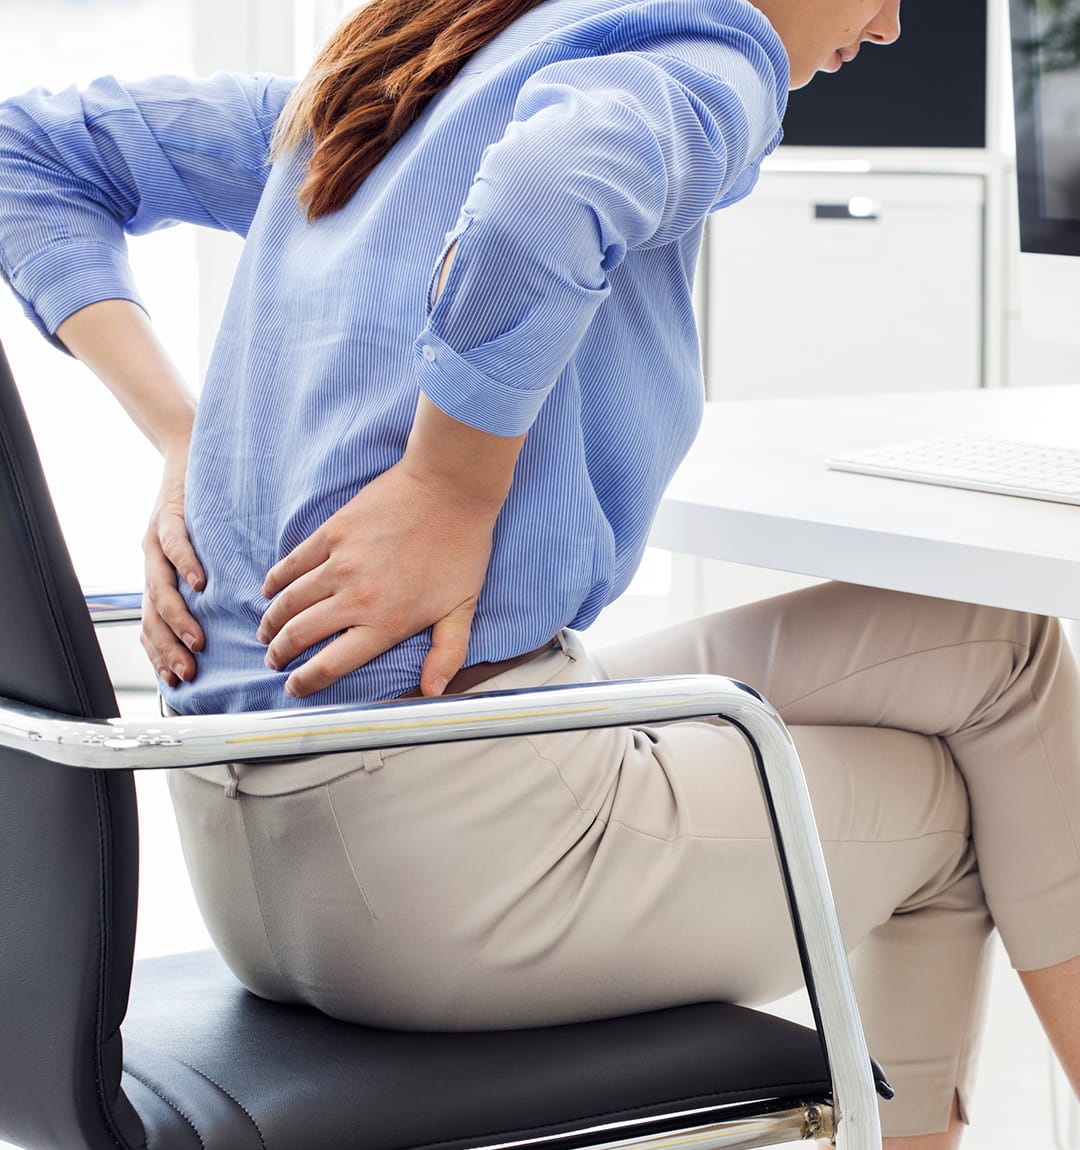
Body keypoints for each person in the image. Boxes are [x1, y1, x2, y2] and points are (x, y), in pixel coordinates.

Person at [1, 0, 1079, 1145]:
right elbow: (549, 189)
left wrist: (184, 434)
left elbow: (26, 145)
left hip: (257, 847)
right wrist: (447, 488)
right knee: (956, 801)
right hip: (441, 869)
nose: (895, 23)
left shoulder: (399, 82)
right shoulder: (708, 53)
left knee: (997, 650)